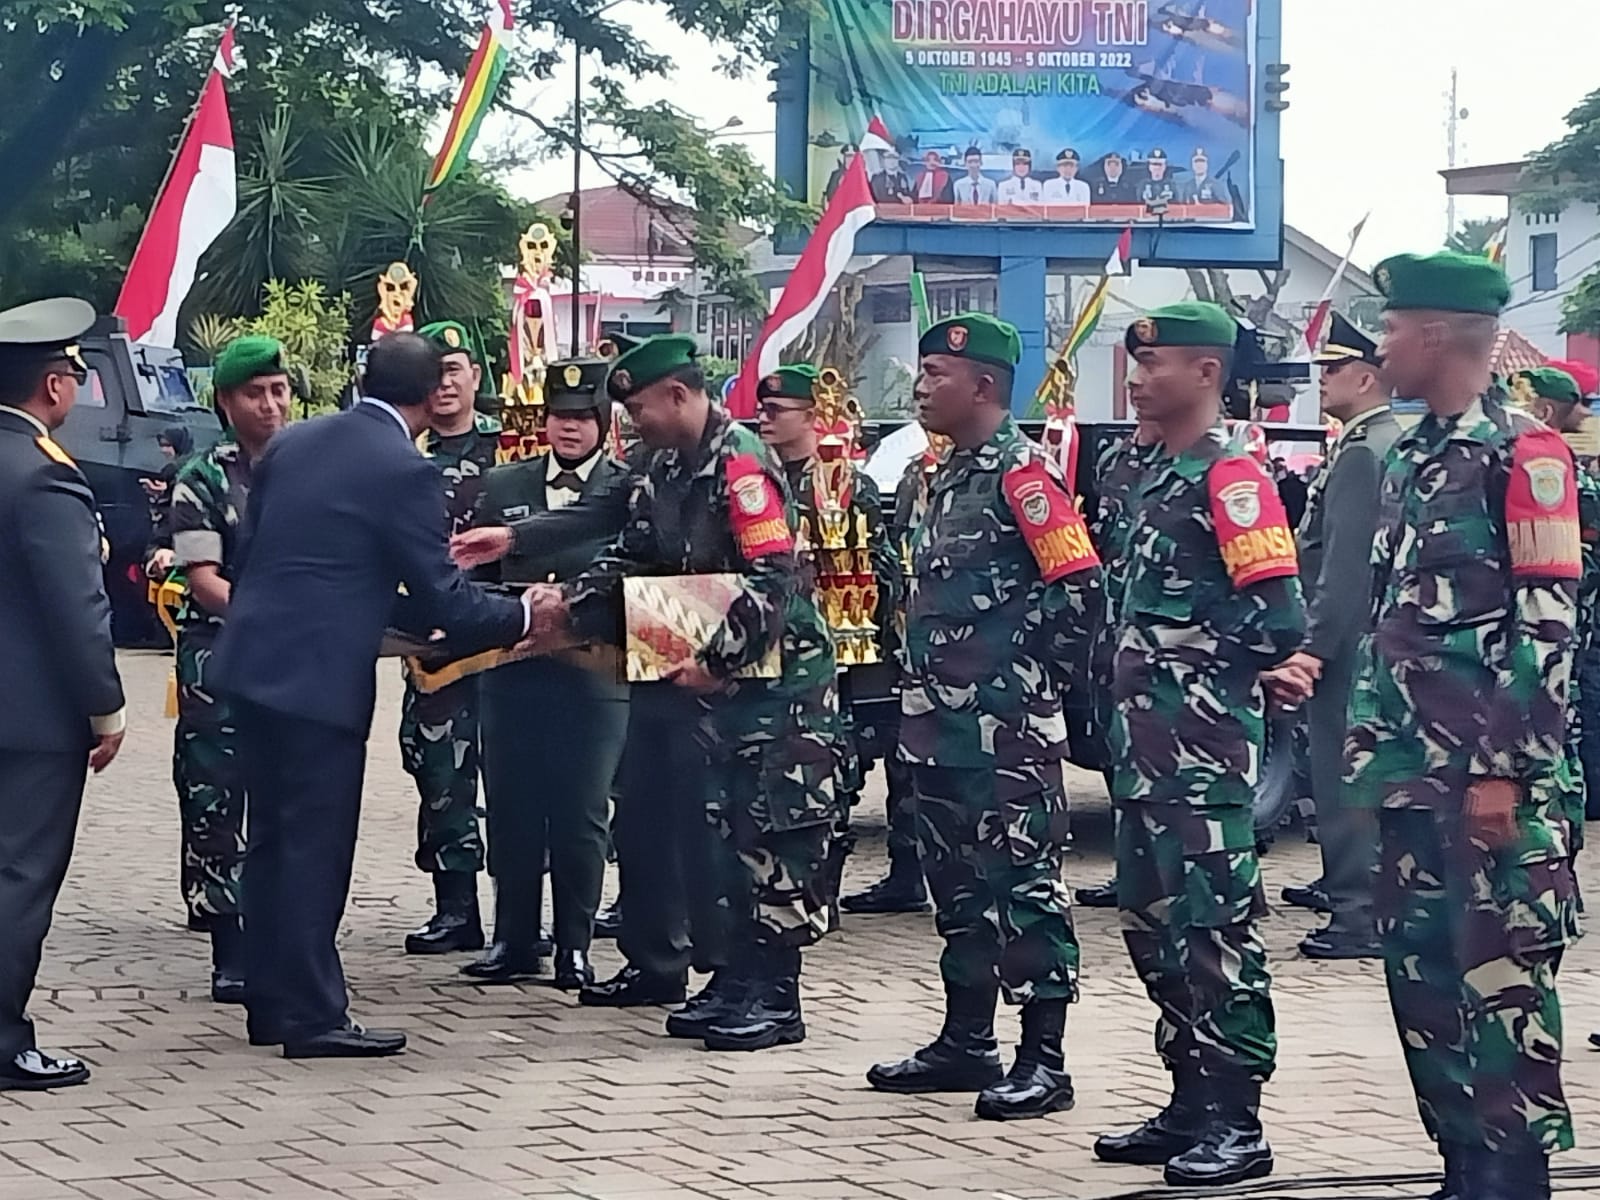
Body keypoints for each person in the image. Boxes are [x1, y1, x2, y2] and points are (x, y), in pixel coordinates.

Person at [213, 332, 534, 1060]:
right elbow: (444, 597)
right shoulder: (404, 467)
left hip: (252, 661)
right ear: (427, 398)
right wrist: (521, 617)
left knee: (269, 840)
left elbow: (271, 555)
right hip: (316, 678)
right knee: (313, 849)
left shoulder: (295, 442)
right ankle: (310, 1015)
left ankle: (271, 1000)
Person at [523, 333, 842, 1052]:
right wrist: (569, 605)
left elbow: (773, 580)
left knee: (772, 830)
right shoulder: (665, 465)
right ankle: (732, 978)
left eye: (639, 407)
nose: (633, 423)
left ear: (678, 394)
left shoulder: (743, 467)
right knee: (723, 832)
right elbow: (634, 555)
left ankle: (777, 996)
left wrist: (720, 662)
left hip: (775, 686)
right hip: (712, 683)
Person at [1343, 253, 1580, 1200]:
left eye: (1391, 328)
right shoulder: (1411, 454)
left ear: (1434, 333)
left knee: (1502, 982)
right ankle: (1460, 1166)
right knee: (1425, 984)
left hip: (1488, 786)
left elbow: (1550, 628)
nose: (1381, 345)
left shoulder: (1528, 456)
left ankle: (1514, 1177)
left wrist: (1505, 773)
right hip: (1410, 775)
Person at [865, 315, 1101, 1121]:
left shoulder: (1024, 479)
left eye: (935, 374)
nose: (921, 386)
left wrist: (1023, 685)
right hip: (934, 727)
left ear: (984, 386)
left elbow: (1077, 591)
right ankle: (967, 1041)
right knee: (957, 887)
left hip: (1005, 733)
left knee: (1024, 887)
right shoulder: (940, 477)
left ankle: (1044, 1058)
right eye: (924, 372)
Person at [1093, 303, 1305, 1187]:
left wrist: (1189, 657)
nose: (1139, 379)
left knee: (1215, 932)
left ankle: (1235, 1118)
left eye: (1158, 365)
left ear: (1208, 374)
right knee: (1152, 929)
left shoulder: (1233, 477)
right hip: (1141, 754)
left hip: (1205, 754)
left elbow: (1278, 618)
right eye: (1136, 365)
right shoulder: (1142, 471)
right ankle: (1187, 1098)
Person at [465, 357, 631, 989]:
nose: (569, 429)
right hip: (512, 671)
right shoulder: (504, 486)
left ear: (602, 422)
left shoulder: (622, 487)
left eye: (582, 417)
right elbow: (472, 580)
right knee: (510, 805)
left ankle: (575, 945)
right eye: (559, 417)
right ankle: (512, 938)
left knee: (581, 811)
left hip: (594, 674)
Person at [0, 298, 125, 1092]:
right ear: (53, 385)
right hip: (31, 717)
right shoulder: (46, 475)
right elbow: (77, 610)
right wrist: (106, 709)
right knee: (18, 874)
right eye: (75, 377)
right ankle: (5, 1039)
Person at [1264, 314, 1396, 959]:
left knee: (1343, 774)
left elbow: (1345, 562)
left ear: (1368, 376)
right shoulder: (1366, 442)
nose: (1322, 380)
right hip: (1366, 637)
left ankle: (1358, 912)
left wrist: (1314, 646)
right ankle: (1347, 889)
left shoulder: (1367, 448)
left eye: (1333, 369)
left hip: (1350, 643)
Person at [167, 336, 292, 1003]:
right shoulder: (204, 477)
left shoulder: (307, 467)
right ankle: (229, 945)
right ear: (225, 401)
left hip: (295, 661)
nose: (270, 405)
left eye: (279, 390)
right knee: (215, 792)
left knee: (289, 794)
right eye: (254, 393)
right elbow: (204, 579)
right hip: (219, 654)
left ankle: (285, 934)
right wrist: (273, 620)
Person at [754, 364, 903, 921]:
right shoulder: (757, 480)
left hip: (837, 654)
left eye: (777, 411)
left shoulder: (846, 486)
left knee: (833, 772)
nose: (764, 419)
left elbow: (876, 573)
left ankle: (820, 892)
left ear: (813, 417)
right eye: (761, 410)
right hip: (770, 652)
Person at [398, 322, 503, 955]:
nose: (445, 381)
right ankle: (456, 908)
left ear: (475, 378)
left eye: (456, 367)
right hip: (434, 644)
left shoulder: (511, 447)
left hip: (507, 634)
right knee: (439, 770)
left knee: (518, 775)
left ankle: (524, 911)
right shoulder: (404, 455)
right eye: (434, 370)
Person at [841, 437, 945, 915]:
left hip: (919, 646)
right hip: (872, 642)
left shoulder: (858, 486)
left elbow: (882, 555)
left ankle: (909, 874)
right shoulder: (906, 478)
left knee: (909, 769)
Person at [1074, 418, 1162, 910]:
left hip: (1164, 643)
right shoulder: (1117, 461)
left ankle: (1161, 876)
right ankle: (1131, 872)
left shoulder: (1200, 464)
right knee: (1118, 753)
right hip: (1115, 630)